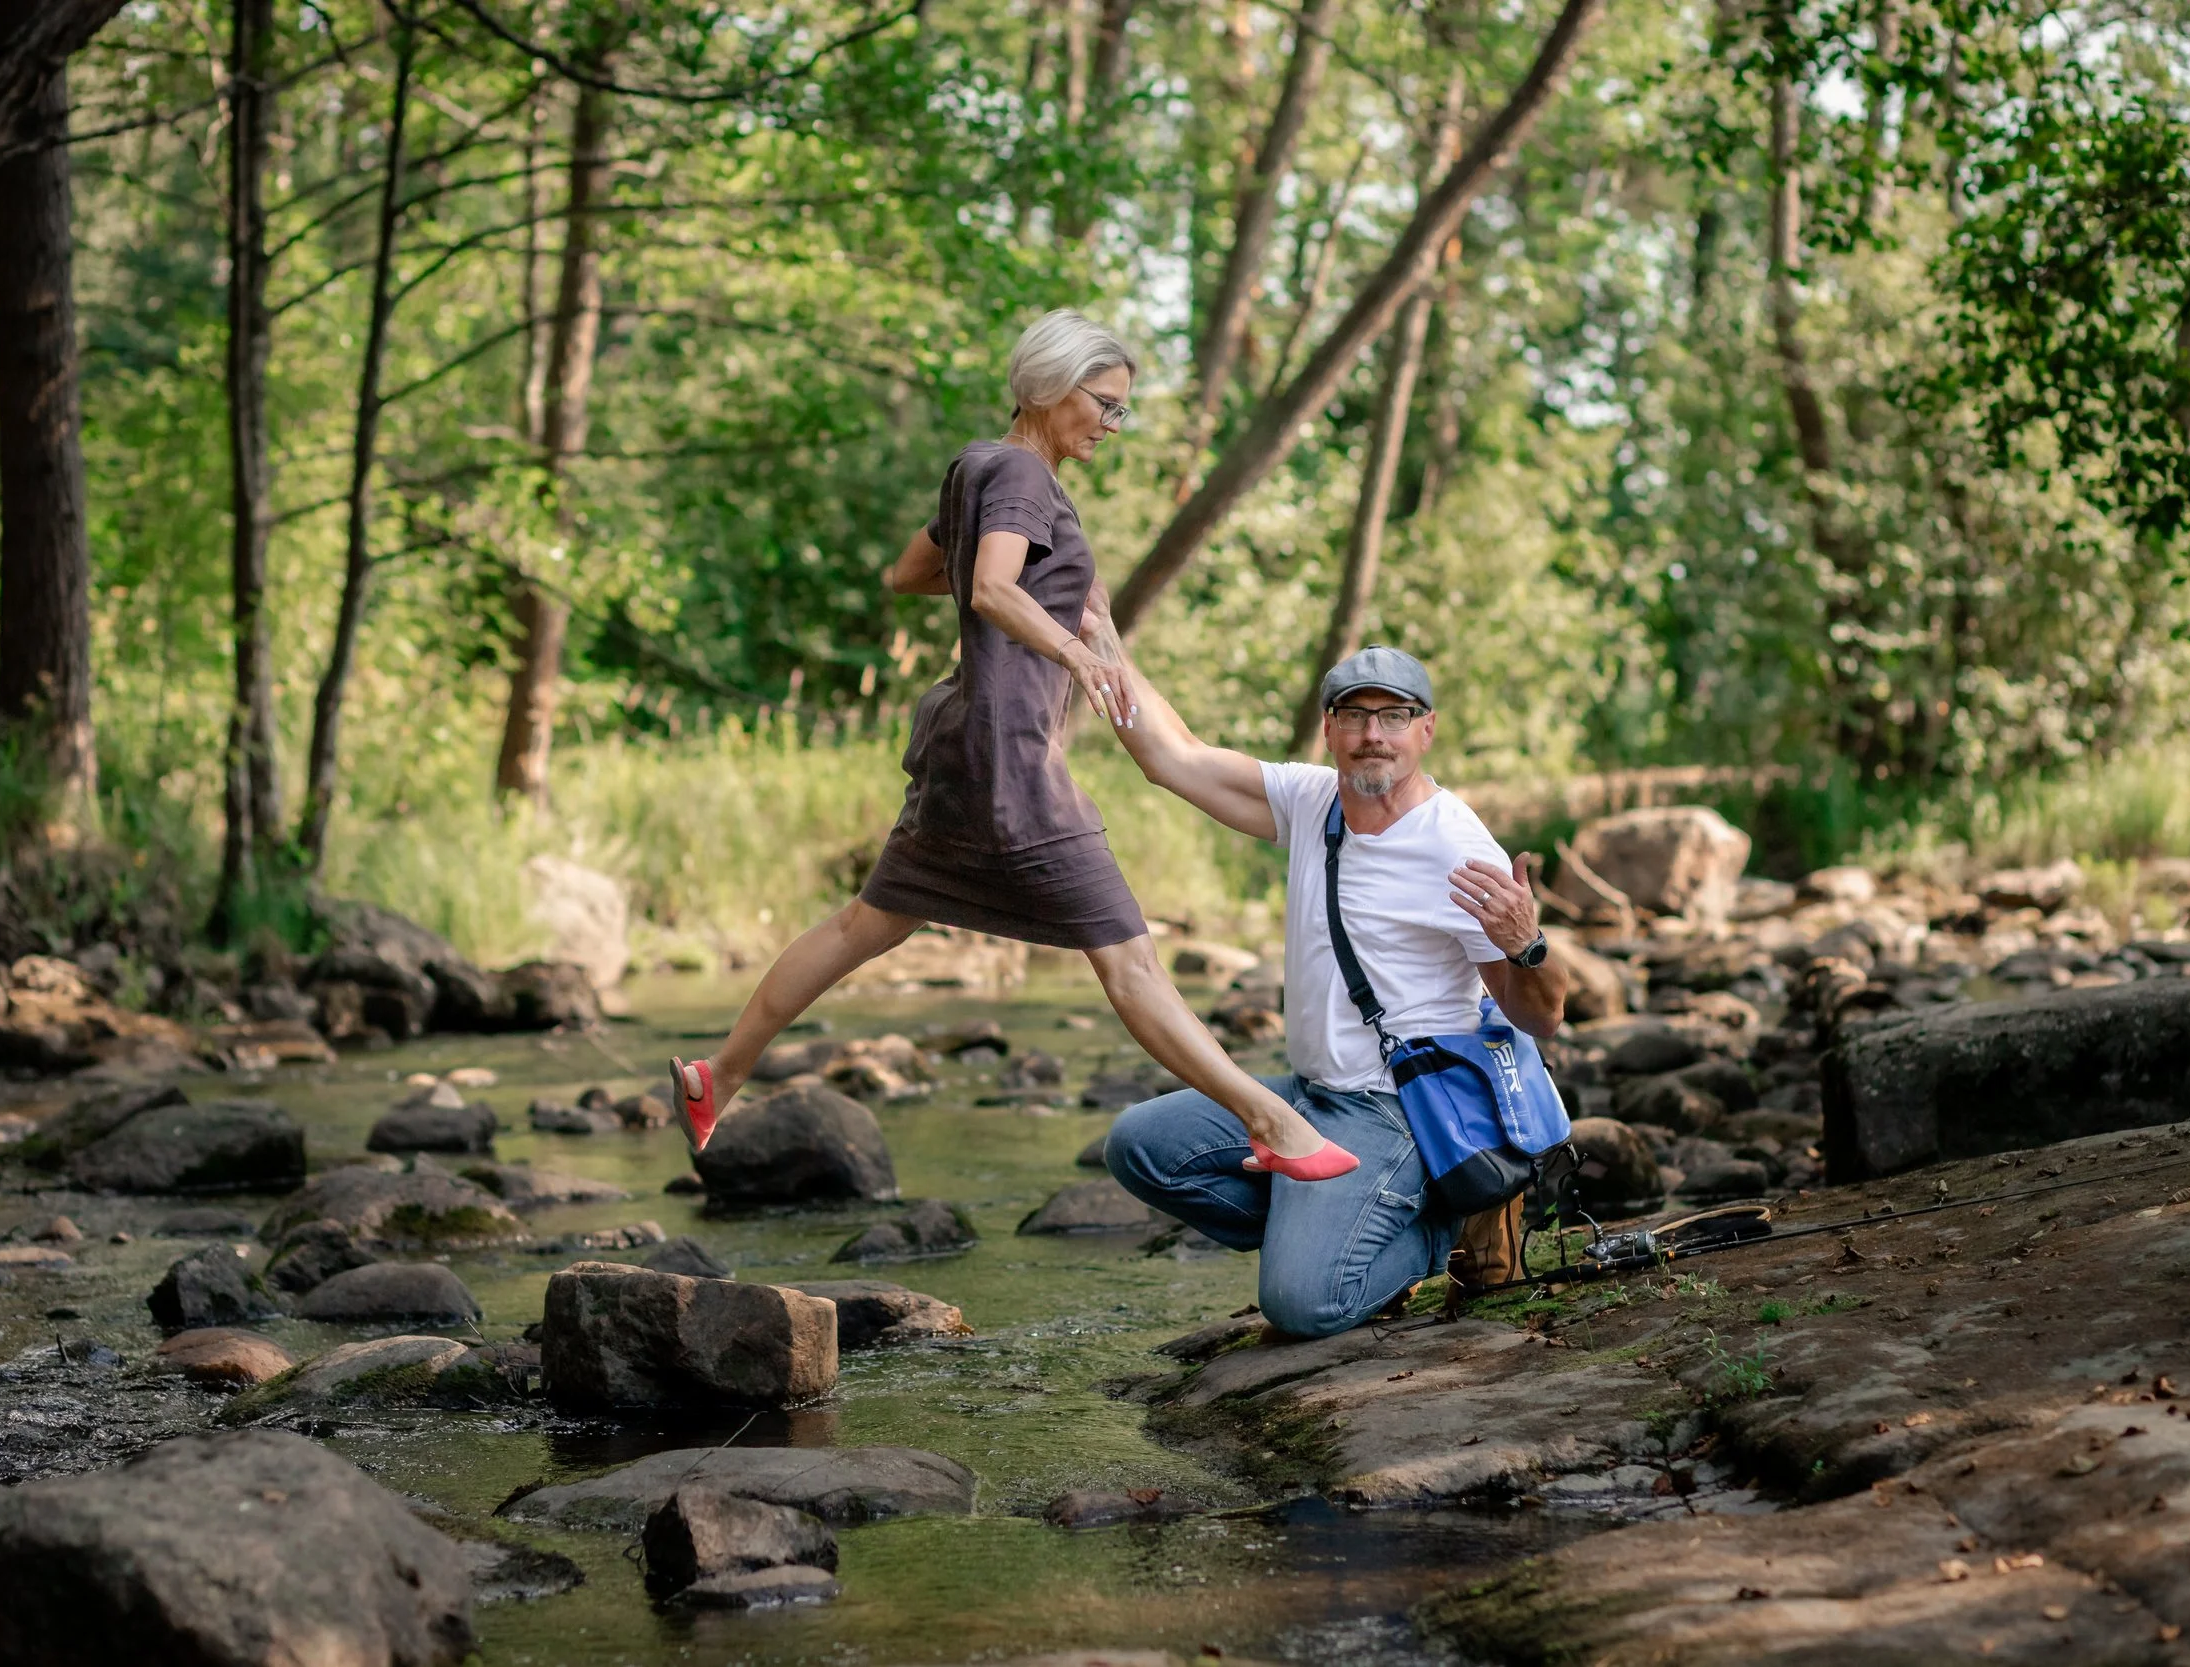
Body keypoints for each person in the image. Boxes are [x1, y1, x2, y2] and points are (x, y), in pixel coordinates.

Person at [670, 310, 1355, 1180]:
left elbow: (912, 572)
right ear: (1046, 388)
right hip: (1014, 764)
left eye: (1122, 411)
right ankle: (1273, 1123)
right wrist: (1067, 643)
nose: (1112, 425)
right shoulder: (1024, 479)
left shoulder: (979, 469)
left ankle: (718, 1074)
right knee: (1132, 960)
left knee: (862, 926)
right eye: (1103, 405)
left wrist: (1052, 610)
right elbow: (991, 586)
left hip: (963, 747)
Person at [1099, 644, 1570, 1336]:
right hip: (1309, 1096)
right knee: (1138, 1145)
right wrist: (1104, 642)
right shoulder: (1310, 798)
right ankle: (1336, 1231)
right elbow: (1171, 757)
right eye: (1355, 715)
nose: (1373, 734)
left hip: (1396, 1108)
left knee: (1301, 1304)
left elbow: (1542, 1016)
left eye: (1394, 715)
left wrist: (1525, 942)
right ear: (1330, 728)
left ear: (1426, 728)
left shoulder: (1458, 848)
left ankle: (1446, 1225)